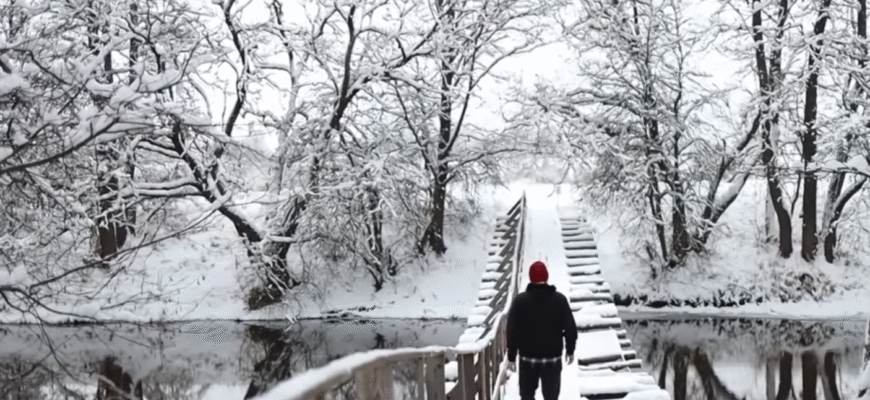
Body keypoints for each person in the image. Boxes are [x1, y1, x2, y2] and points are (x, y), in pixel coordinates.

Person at [506, 260, 577, 400]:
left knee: (527, 396)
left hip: (527, 360)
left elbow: (512, 330)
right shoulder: (559, 300)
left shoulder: (520, 301)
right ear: (546, 277)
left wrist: (511, 356)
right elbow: (570, 328)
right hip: (552, 359)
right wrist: (570, 349)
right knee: (551, 397)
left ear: (530, 277)